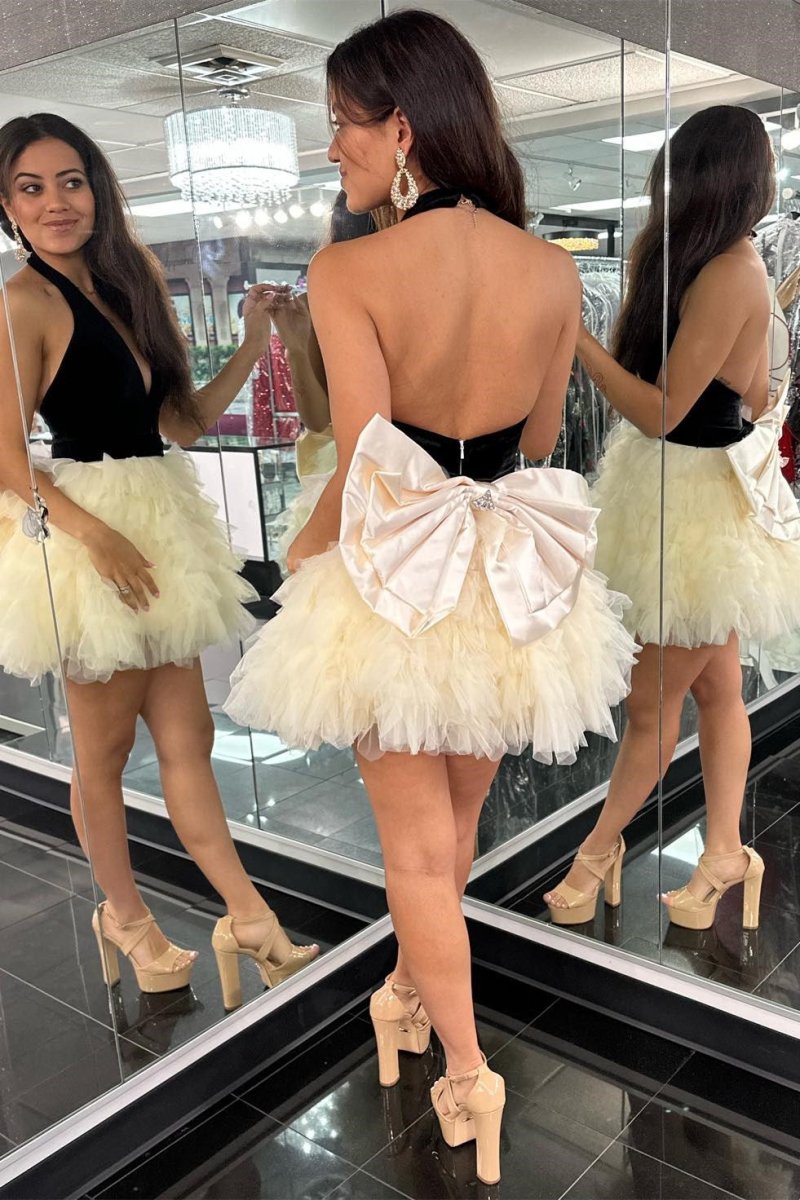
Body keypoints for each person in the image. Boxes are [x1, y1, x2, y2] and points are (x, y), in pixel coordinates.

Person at [224, 11, 637, 1184]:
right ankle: (407, 992)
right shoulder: (549, 269)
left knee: (413, 850)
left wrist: (293, 572)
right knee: (450, 831)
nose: (331, 152)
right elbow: (539, 442)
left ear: (399, 128)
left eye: (340, 127)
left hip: (397, 580)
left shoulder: (348, 269)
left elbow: (366, 462)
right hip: (503, 579)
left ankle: (466, 1072)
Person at [0, 113, 317, 1009]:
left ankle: (249, 917)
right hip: (87, 533)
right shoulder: (23, 301)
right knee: (102, 751)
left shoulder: (125, 281)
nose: (56, 203)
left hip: (156, 522)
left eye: (71, 181)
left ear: (97, 188)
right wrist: (93, 536)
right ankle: (127, 919)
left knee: (190, 741)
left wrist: (255, 341)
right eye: (31, 188)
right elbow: (5, 455)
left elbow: (180, 425)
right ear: (7, 205)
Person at [545, 106, 800, 931]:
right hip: (685, 496)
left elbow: (660, 413)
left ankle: (597, 850)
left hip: (690, 508)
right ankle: (724, 852)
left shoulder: (728, 271)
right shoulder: (716, 265)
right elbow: (753, 395)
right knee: (718, 690)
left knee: (652, 708)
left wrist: (577, 339)